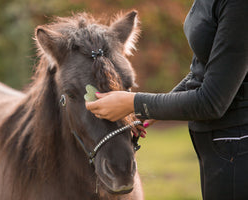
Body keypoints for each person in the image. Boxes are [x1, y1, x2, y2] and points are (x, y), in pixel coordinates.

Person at [86, 0, 248, 199]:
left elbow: (212, 101)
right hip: (218, 146)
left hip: (237, 145)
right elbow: (201, 71)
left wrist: (133, 102)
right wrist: (150, 110)